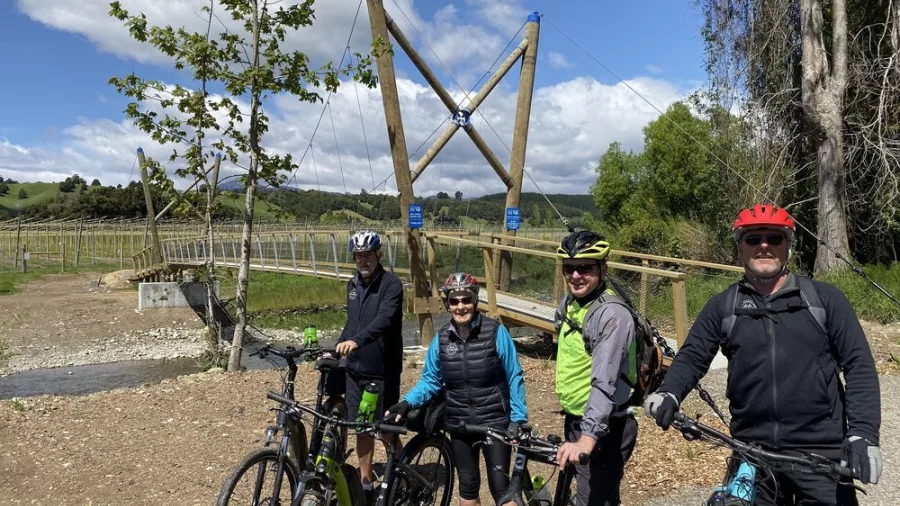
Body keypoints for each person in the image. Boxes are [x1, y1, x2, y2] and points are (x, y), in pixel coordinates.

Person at [644, 204, 883, 505]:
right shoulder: (724, 306)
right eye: (753, 239)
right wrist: (670, 393)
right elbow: (693, 356)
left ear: (789, 247)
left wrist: (862, 434)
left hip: (822, 455)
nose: (764, 246)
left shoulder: (824, 300)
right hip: (753, 454)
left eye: (775, 238)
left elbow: (859, 365)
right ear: (740, 248)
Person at [384, 273, 527, 506]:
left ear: (475, 301)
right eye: (454, 301)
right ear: (447, 304)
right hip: (460, 424)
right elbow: (430, 381)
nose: (461, 306)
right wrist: (406, 402)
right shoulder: (441, 340)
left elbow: (514, 375)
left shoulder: (495, 332)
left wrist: (518, 419)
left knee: (501, 488)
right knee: (468, 486)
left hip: (495, 422)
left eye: (466, 300)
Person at [552, 230, 638, 506]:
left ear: (603, 268)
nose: (575, 276)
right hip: (578, 417)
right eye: (569, 268)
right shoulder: (570, 303)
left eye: (585, 268)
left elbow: (605, 382)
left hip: (606, 428)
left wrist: (587, 439)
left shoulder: (613, 315)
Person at [336, 230, 404, 494]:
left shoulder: (391, 284)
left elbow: (385, 321)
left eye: (367, 255)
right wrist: (336, 349)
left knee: (386, 429)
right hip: (355, 370)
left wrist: (358, 340)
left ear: (378, 255)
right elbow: (351, 325)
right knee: (361, 426)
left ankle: (399, 471)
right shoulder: (353, 285)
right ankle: (365, 481)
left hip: (382, 370)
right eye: (358, 256)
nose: (363, 260)